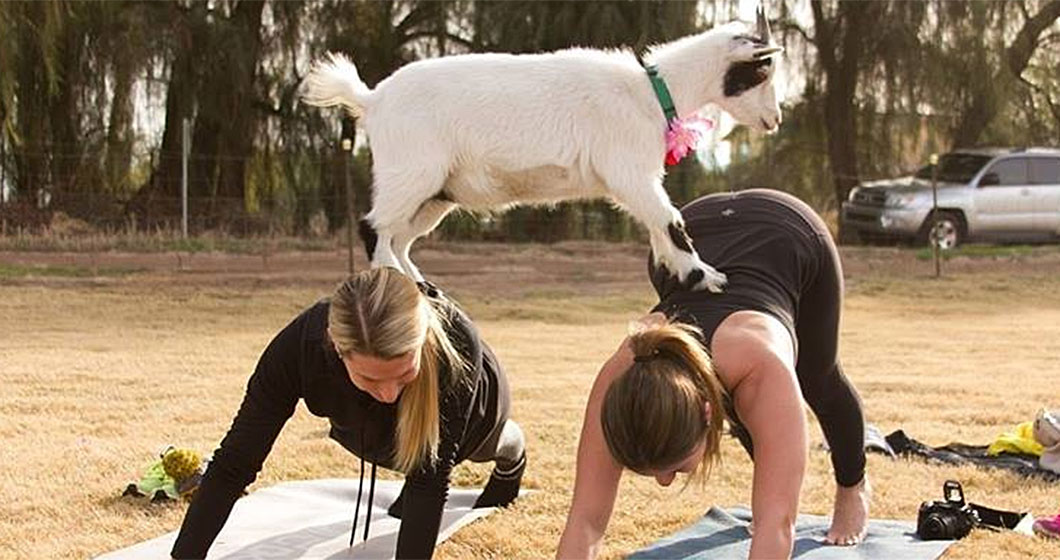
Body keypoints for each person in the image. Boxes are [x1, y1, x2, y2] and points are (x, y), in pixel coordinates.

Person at [557, 189, 869, 559]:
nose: (664, 482)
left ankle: (854, 487)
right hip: (687, 231)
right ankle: (772, 483)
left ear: (707, 413)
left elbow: (777, 526)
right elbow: (585, 521)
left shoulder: (763, 369)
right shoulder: (622, 376)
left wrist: (774, 509)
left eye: (671, 467)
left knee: (819, 379)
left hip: (787, 232)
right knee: (754, 417)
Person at [171, 267, 526, 559]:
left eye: (403, 373)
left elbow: (429, 482)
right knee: (387, 439)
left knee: (488, 444)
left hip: (476, 418)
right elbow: (236, 461)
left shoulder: (456, 344)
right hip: (366, 427)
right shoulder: (298, 348)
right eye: (370, 377)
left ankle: (514, 454)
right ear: (337, 348)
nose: (388, 394)